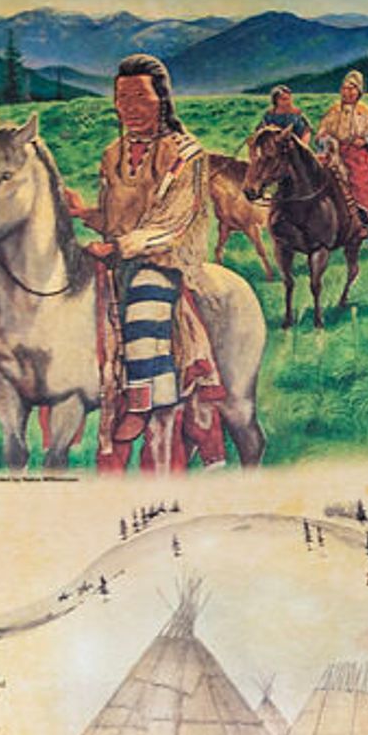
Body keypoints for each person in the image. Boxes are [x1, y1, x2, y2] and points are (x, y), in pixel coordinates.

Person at [86, 52, 220, 470]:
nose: (129, 108)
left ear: (162, 99)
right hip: (119, 254)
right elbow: (112, 217)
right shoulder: (112, 153)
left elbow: (173, 221)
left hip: (166, 257)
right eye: (122, 98)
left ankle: (145, 402)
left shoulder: (187, 154)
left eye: (140, 98)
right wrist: (82, 214)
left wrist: (122, 246)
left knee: (145, 295)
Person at [316, 69, 368, 230]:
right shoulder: (333, 111)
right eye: (345, 88)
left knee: (362, 186)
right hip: (334, 154)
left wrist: (364, 141)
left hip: (357, 157)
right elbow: (321, 134)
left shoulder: (366, 112)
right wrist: (327, 141)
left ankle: (365, 226)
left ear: (359, 91)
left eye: (352, 88)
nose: (347, 92)